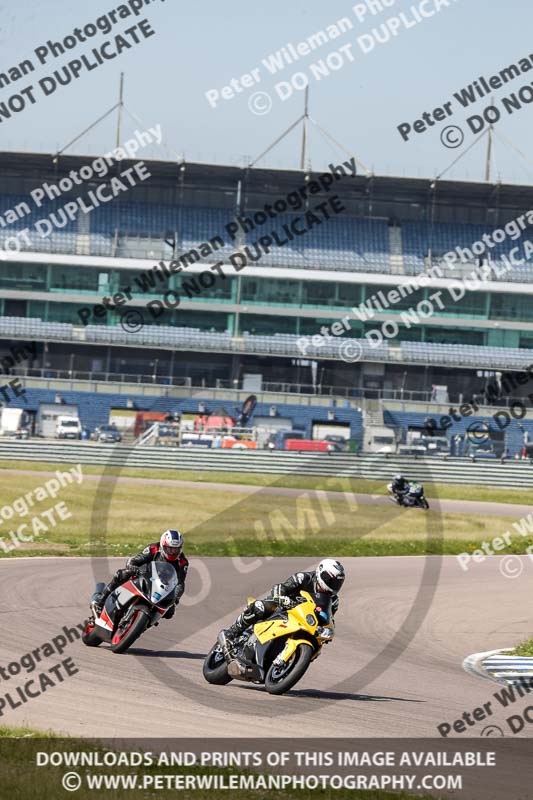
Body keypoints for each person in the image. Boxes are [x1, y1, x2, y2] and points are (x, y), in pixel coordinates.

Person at [218, 559, 345, 650]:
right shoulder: (303, 578)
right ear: (320, 573)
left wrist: (328, 631)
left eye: (337, 583)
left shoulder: (334, 600)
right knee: (261, 607)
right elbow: (281, 587)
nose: (333, 586)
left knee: (317, 646)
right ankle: (232, 633)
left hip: (304, 621)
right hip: (283, 608)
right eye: (330, 581)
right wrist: (282, 598)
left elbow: (329, 618)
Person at [92, 530, 188, 619]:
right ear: (163, 545)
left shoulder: (183, 562)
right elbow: (135, 560)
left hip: (161, 588)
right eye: (170, 549)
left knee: (169, 612)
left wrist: (176, 598)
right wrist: (132, 567)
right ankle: (100, 601)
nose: (173, 552)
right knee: (122, 574)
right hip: (144, 576)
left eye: (176, 549)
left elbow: (180, 583)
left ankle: (144, 622)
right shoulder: (153, 548)